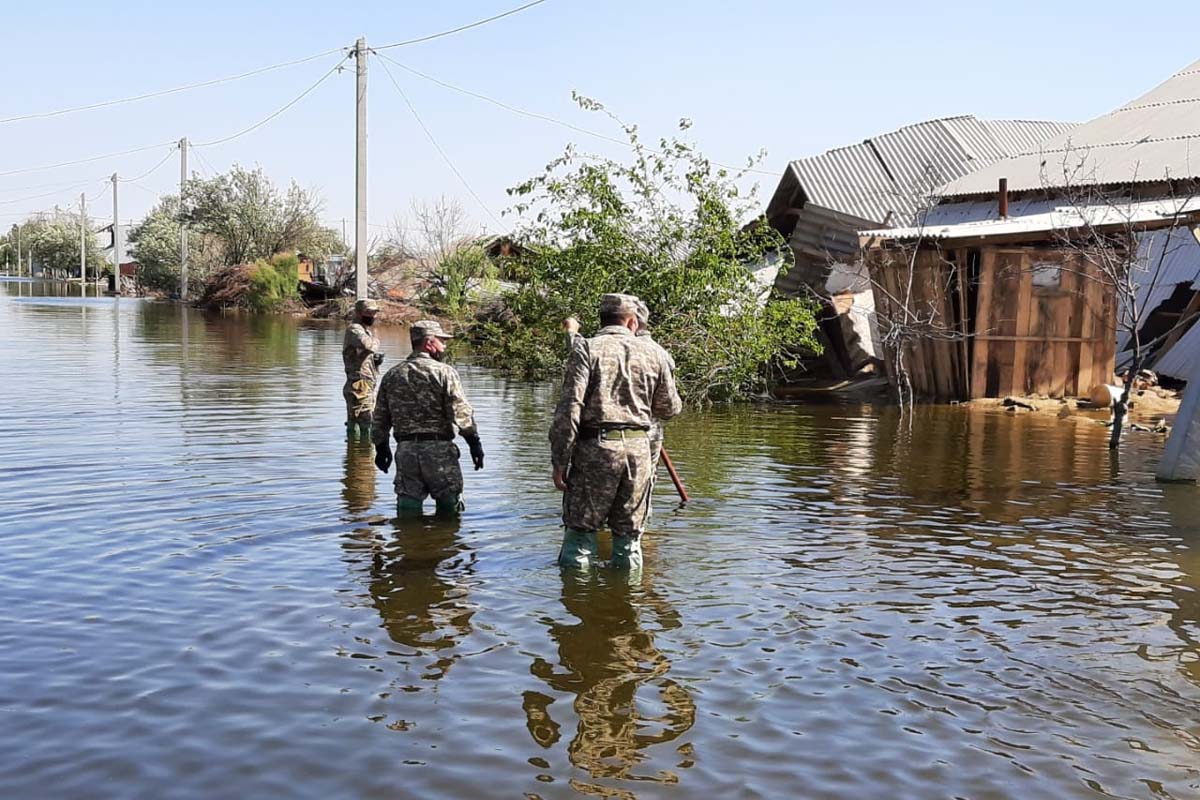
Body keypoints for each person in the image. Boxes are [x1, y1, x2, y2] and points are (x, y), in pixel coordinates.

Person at [549, 293, 682, 570]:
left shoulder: (586, 348)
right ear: (632, 322)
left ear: (603, 319)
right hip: (639, 452)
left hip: (596, 450)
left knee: (581, 533)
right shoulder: (655, 352)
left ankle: (577, 603)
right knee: (629, 539)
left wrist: (560, 460)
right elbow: (669, 409)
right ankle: (627, 606)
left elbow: (569, 409)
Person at [372, 320, 485, 516]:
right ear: (429, 343)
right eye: (442, 341)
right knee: (450, 508)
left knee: (407, 509)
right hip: (438, 451)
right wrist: (474, 443)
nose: (445, 346)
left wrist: (381, 448)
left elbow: (380, 417)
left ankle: (407, 543)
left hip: (406, 452)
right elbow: (461, 412)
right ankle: (446, 543)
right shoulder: (444, 372)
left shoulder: (392, 375)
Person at [342, 298, 384, 440]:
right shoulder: (355, 329)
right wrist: (376, 341)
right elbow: (368, 345)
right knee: (366, 422)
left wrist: (376, 362)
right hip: (359, 385)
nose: (373, 316)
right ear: (359, 313)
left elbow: (363, 355)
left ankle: (357, 455)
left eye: (374, 313)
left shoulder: (365, 331)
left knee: (360, 422)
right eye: (369, 312)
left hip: (364, 384)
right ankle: (362, 456)